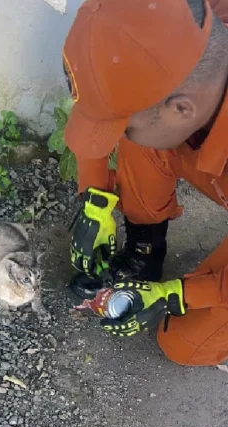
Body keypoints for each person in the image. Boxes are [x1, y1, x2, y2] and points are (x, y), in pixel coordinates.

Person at [62, 0, 228, 366]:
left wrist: (174, 294)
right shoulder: (186, 17)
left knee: (184, 342)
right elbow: (109, 98)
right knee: (144, 132)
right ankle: (146, 250)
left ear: (183, 109)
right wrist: (95, 201)